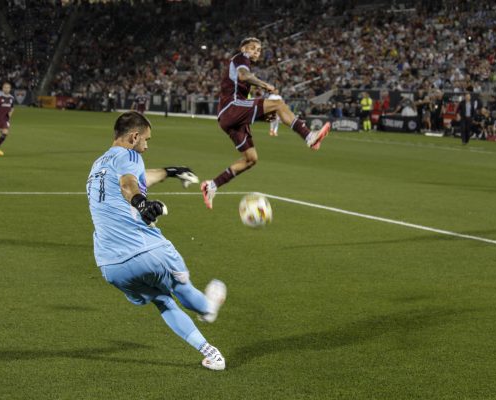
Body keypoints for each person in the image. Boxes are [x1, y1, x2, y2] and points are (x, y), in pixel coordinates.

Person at [86, 111, 227, 370]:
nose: (147, 146)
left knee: (162, 300)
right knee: (183, 290)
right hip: (147, 251)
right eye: (146, 140)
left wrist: (170, 171)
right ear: (134, 136)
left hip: (111, 266)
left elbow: (136, 179)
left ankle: (210, 353)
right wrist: (142, 204)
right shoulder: (130, 155)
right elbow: (130, 185)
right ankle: (207, 308)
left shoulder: (98, 166)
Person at [200, 37, 331, 209]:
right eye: (252, 48)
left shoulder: (243, 63)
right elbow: (243, 75)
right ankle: (308, 136)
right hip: (231, 108)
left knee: (251, 159)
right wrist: (264, 85)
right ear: (243, 48)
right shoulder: (240, 58)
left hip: (230, 117)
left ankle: (212, 186)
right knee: (277, 103)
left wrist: (263, 115)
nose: (256, 51)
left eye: (259, 50)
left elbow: (244, 86)